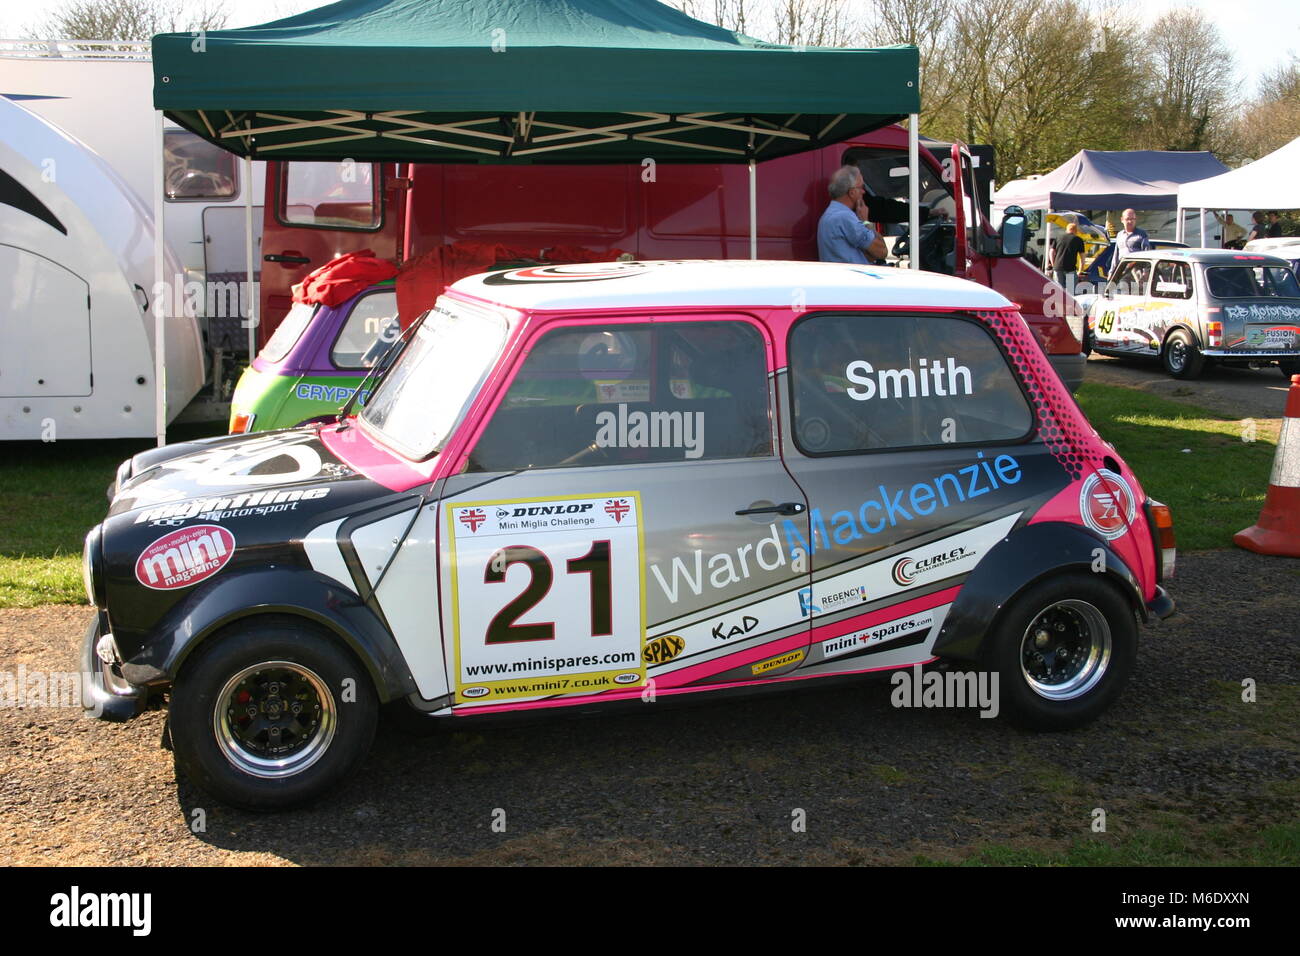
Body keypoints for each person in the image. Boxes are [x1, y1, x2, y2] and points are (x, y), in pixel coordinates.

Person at [817, 166, 888, 264]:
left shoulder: (829, 215)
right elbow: (881, 252)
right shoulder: (845, 218)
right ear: (852, 192)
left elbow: (869, 255)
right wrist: (866, 221)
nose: (863, 192)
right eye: (861, 187)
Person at [1048, 221, 1085, 293]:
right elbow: (1082, 257)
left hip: (1058, 268)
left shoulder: (1058, 238)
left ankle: (1059, 304)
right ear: (1075, 230)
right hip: (1070, 269)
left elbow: (1051, 252)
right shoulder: (1078, 240)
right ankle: (1069, 304)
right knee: (1071, 292)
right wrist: (1080, 270)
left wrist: (1053, 264)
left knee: (1058, 291)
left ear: (1067, 230)